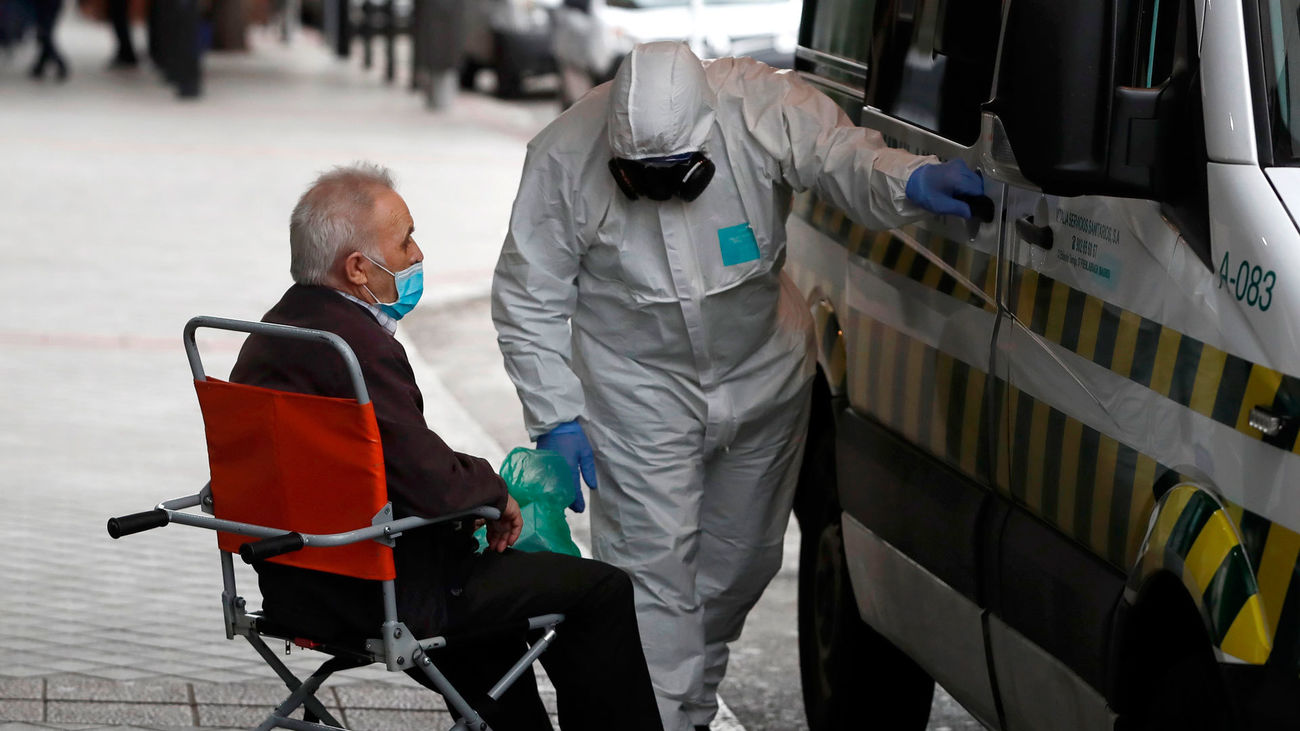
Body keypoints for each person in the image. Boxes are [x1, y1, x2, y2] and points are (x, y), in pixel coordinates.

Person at [491, 41, 984, 731]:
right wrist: (556, 415)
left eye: (680, 175)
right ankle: (659, 718)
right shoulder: (563, 154)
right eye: (641, 177)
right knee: (653, 579)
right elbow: (528, 292)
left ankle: (688, 704)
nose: (661, 192)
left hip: (762, 379)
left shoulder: (759, 106)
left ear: (707, 131)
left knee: (741, 566)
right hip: (638, 389)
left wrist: (908, 180)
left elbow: (842, 155)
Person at [229, 163, 663, 731]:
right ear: (358, 268)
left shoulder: (269, 336)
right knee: (601, 590)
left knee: (501, 618)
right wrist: (496, 492)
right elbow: (429, 482)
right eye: (405, 240)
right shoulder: (353, 350)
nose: (417, 254)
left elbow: (385, 461)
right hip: (383, 593)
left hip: (297, 585)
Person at [25, 0, 66, 79]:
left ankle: (60, 64)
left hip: (48, 6)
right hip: (46, 6)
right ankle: (39, 67)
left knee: (44, 36)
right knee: (44, 36)